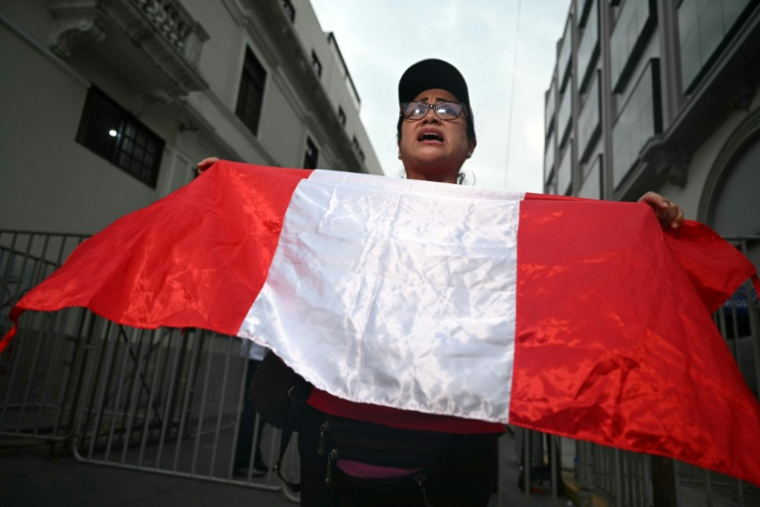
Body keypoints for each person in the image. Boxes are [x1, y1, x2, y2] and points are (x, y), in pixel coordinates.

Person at [197, 58, 684, 506]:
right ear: (401, 137)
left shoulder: (505, 234)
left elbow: (578, 282)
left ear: (470, 144)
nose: (430, 113)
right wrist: (230, 194)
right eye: (416, 108)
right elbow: (272, 239)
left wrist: (638, 235)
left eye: (448, 108)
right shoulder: (345, 213)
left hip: (454, 465)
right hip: (333, 451)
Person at [232, 340, 269, 478]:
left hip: (259, 359)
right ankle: (243, 462)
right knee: (254, 413)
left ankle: (253, 459)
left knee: (258, 413)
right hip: (260, 360)